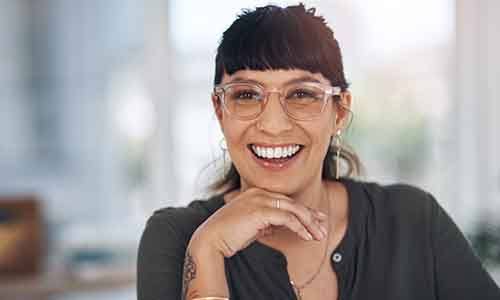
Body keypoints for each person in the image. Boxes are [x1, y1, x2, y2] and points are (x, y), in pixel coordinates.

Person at [137, 3, 500, 300]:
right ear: (220, 112)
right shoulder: (177, 237)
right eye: (247, 95)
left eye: (302, 94)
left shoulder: (413, 221)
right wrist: (209, 250)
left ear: (339, 110)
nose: (274, 125)